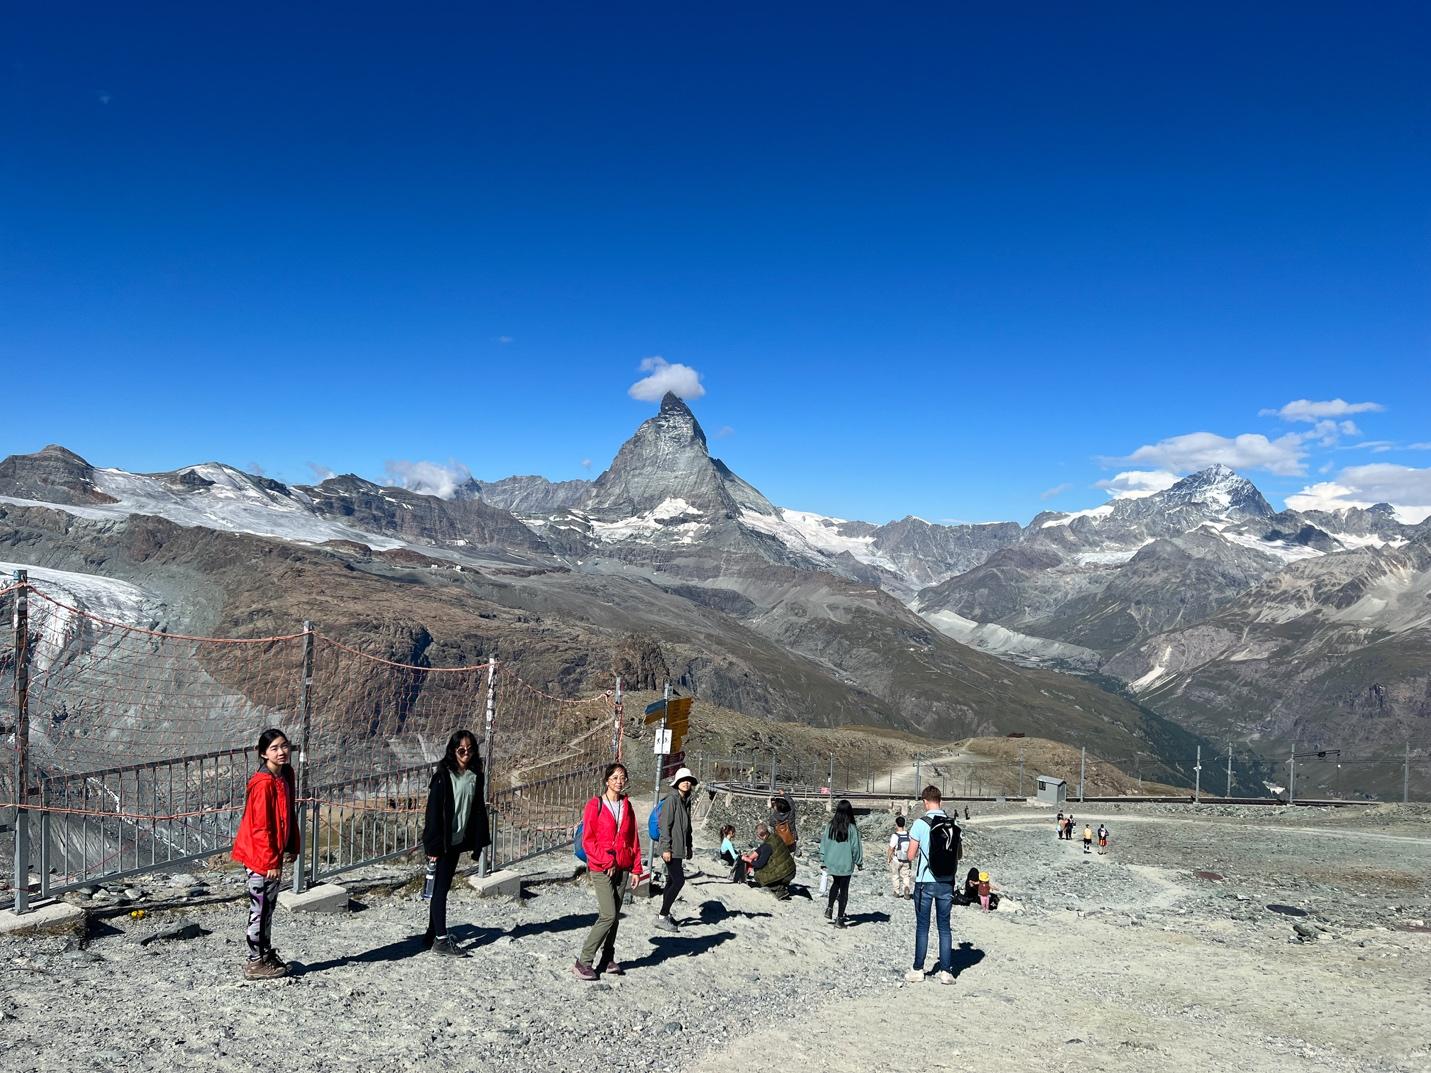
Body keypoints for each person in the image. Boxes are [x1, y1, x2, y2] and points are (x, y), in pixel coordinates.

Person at [231, 728, 300, 980]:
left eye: (284, 746)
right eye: (274, 748)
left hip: (272, 854)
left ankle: (264, 954)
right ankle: (254, 962)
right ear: (263, 753)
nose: (281, 752)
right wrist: (271, 860)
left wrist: (292, 845)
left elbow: (286, 815)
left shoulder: (286, 775)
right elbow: (261, 827)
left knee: (268, 907)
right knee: (260, 908)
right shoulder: (263, 784)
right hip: (260, 856)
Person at [421, 729, 492, 957]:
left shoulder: (474, 776)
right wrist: (431, 847)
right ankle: (441, 940)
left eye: (470, 750)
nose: (466, 754)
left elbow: (477, 809)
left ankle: (433, 933)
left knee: (442, 886)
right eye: (461, 750)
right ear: (453, 750)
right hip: (441, 843)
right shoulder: (442, 776)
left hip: (457, 840)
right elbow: (432, 813)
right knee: (440, 889)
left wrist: (479, 841)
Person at [574, 763, 644, 980]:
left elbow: (633, 838)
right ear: (606, 781)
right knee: (608, 914)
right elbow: (588, 841)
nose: (619, 782)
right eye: (614, 778)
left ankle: (607, 958)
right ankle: (583, 961)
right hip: (600, 868)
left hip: (623, 867)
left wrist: (636, 868)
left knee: (614, 918)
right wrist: (607, 861)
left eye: (622, 777)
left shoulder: (627, 806)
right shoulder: (595, 805)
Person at [904, 785, 958, 985]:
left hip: (925, 881)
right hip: (946, 882)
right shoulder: (951, 824)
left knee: (923, 927)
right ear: (940, 801)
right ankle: (945, 972)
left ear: (925, 802)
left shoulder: (919, 824)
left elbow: (911, 855)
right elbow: (957, 855)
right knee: (944, 927)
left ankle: (918, 969)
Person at [655, 766, 698, 931]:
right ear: (677, 783)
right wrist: (666, 848)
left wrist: (689, 846)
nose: (686, 783)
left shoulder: (686, 801)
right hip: (671, 848)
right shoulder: (672, 800)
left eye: (688, 781)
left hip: (679, 848)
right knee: (679, 880)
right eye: (683, 780)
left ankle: (664, 915)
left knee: (672, 881)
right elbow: (665, 825)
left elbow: (688, 827)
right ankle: (662, 914)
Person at [819, 799, 863, 928]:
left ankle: (829, 908)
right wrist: (859, 861)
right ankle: (839, 918)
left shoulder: (830, 826)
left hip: (832, 862)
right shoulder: (852, 828)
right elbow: (856, 847)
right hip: (846, 863)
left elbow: (824, 843)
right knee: (844, 890)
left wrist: (823, 859)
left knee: (835, 884)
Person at [741, 821, 796, 900]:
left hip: (786, 873)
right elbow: (760, 849)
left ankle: (779, 889)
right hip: (791, 869)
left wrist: (747, 859)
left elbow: (759, 864)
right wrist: (751, 857)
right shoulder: (774, 836)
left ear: (760, 835)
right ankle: (780, 885)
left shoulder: (767, 846)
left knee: (758, 874)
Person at [887, 815, 913, 899]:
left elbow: (891, 848)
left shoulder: (895, 836)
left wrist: (889, 858)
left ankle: (896, 892)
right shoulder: (909, 835)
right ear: (904, 824)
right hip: (907, 859)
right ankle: (906, 888)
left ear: (896, 824)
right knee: (906, 876)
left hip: (896, 859)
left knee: (895, 875)